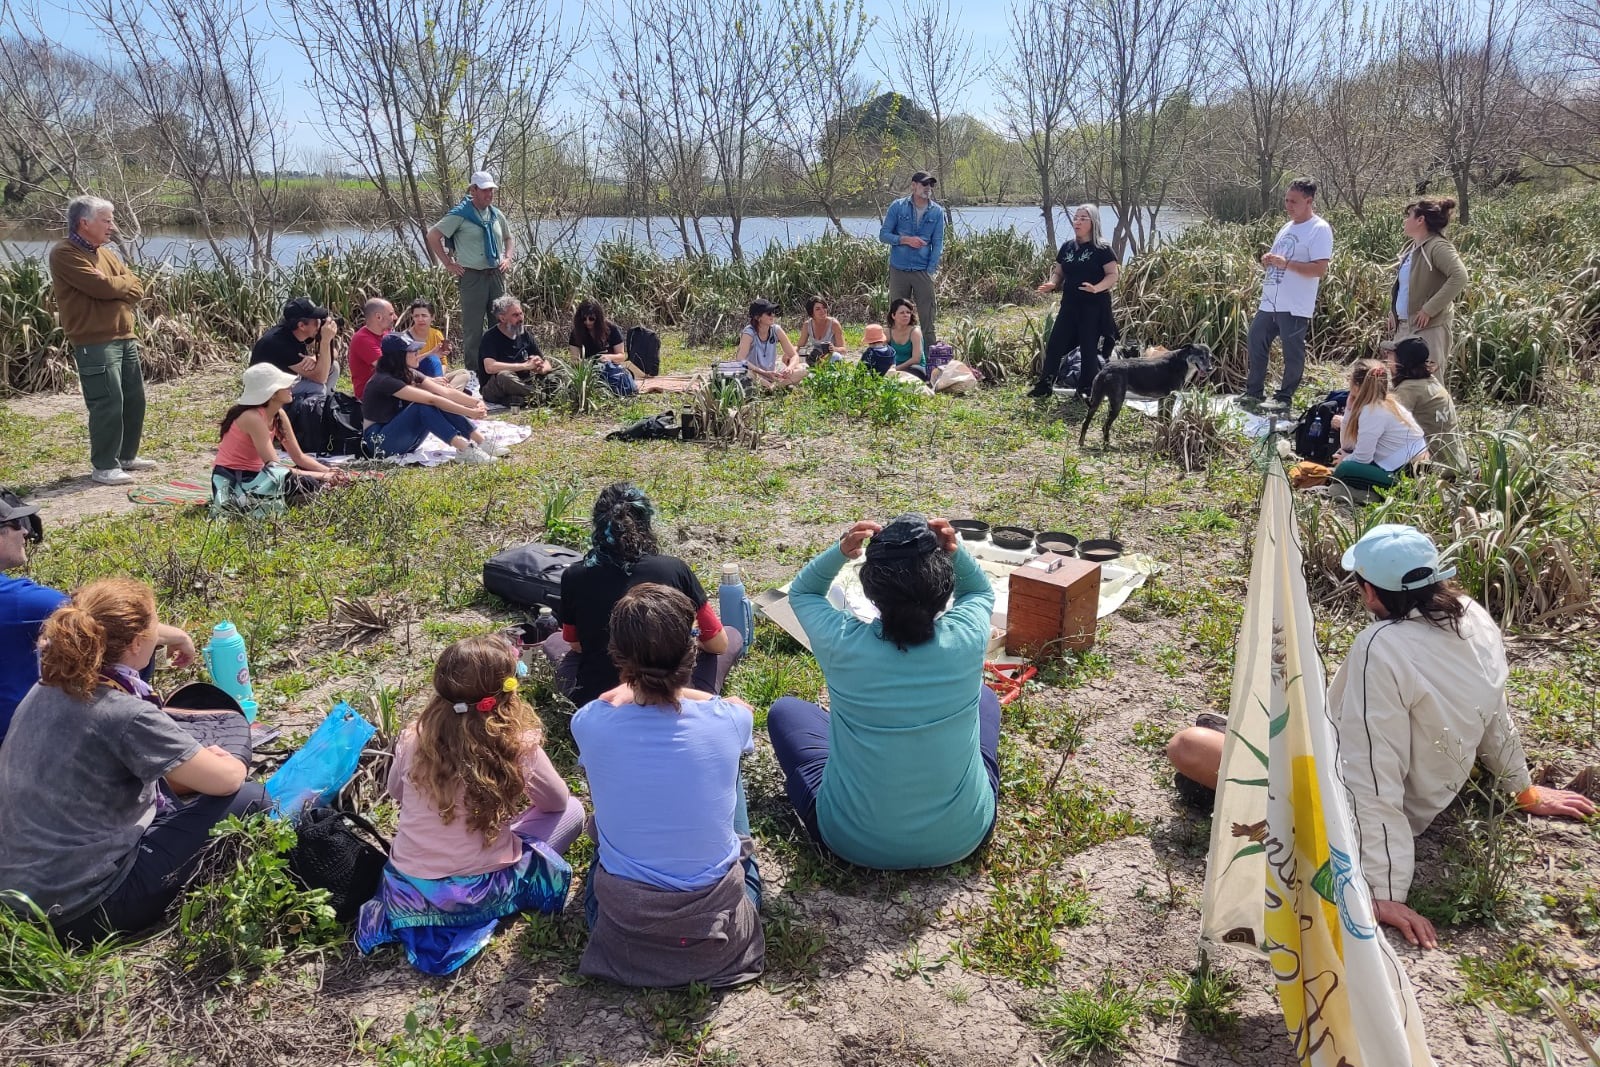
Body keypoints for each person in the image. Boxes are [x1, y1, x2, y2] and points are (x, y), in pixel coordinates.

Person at [1166, 525, 1595, 948]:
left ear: (1370, 592)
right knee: (1224, 728)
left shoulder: (1381, 646)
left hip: (1345, 802)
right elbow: (1495, 714)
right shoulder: (1473, 616)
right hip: (1416, 786)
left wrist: (1381, 888)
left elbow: (1371, 769)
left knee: (1188, 745)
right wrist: (1521, 789)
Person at [0, 579, 269, 940]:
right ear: (138, 643)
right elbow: (227, 780)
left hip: (20, 900)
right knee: (251, 798)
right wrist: (228, 757)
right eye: (155, 626)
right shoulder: (123, 712)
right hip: (85, 910)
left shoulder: (46, 687)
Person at [766, 514, 1001, 870]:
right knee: (984, 698)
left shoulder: (841, 642)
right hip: (964, 834)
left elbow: (803, 592)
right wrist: (955, 550)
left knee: (785, 711)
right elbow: (981, 591)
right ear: (944, 589)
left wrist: (841, 550)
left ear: (870, 590)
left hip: (849, 840)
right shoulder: (967, 637)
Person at [572, 583, 764, 988]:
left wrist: (630, 689)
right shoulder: (729, 719)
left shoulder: (589, 722)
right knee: (728, 770)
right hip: (720, 931)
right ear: (692, 650)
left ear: (618, 657)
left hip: (624, 929)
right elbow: (734, 711)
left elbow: (615, 704)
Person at [356, 635, 584, 975]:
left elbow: (398, 794)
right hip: (479, 891)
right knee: (573, 810)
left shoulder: (412, 738)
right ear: (507, 690)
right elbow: (556, 802)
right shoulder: (517, 744)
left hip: (409, 889)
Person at [547, 482, 742, 707]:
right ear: (646, 522)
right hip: (673, 693)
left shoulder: (574, 576)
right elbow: (718, 644)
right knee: (731, 635)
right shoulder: (674, 569)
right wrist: (685, 639)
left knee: (554, 642)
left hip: (601, 699)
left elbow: (575, 643)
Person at [48, 196, 152, 486]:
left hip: (124, 336)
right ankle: (104, 466)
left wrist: (118, 284)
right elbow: (101, 287)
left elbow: (136, 286)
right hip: (94, 341)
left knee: (134, 399)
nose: (111, 226)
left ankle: (126, 456)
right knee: (107, 401)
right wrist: (117, 285)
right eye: (106, 220)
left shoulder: (105, 254)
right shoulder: (65, 253)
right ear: (85, 223)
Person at [1244, 179, 1335, 413]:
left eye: (1293, 201)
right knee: (1256, 339)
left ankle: (1284, 397)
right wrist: (1269, 261)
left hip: (1295, 304)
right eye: (1286, 200)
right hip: (1271, 301)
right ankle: (1253, 392)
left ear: (1309, 201)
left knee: (1292, 351)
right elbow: (1280, 260)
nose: (1288, 205)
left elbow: (1318, 269)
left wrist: (1287, 264)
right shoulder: (1286, 227)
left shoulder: (1319, 229)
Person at [212, 364, 338, 510]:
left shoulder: (279, 414)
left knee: (322, 466)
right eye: (284, 385)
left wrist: (329, 472)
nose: (291, 386)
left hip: (260, 474)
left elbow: (299, 457)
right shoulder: (253, 418)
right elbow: (276, 468)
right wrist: (322, 476)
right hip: (238, 480)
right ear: (271, 393)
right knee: (307, 482)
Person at [361, 333, 499, 463]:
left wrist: (477, 402)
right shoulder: (384, 380)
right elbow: (431, 400)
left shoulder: (408, 372)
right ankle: (465, 449)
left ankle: (481, 441)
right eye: (412, 351)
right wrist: (470, 412)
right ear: (399, 356)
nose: (417, 354)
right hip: (379, 443)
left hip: (401, 438)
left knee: (434, 401)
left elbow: (445, 392)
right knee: (422, 405)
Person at [426, 171, 513, 377]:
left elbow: (509, 238)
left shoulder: (495, 214)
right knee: (473, 328)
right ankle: (474, 373)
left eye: (491, 190)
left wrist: (508, 258)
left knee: (501, 322)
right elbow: (433, 236)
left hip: (496, 275)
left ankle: (501, 368)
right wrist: (448, 263)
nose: (489, 194)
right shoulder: (460, 215)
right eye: (484, 190)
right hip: (472, 277)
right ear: (473, 190)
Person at [1030, 204, 1119, 400]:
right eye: (1076, 218)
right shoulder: (1067, 247)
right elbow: (1059, 271)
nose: (1077, 222)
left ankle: (1086, 390)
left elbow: (1113, 275)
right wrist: (1052, 283)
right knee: (1055, 344)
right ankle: (1045, 385)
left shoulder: (1102, 248)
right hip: (1069, 305)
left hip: (1093, 307)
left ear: (1093, 222)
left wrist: (1097, 287)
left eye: (1083, 218)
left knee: (1088, 348)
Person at [0, 490, 64, 747]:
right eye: (17, 524)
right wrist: (177, 636)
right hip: (18, 749)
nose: (25, 532)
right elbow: (116, 620)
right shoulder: (21, 602)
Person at [1390, 197, 1468, 380]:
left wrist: (1429, 309)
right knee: (1401, 382)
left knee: (1429, 382)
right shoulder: (1412, 248)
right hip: (1405, 326)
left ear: (1420, 220)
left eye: (1409, 216)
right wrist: (1393, 311)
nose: (1405, 220)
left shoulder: (1438, 246)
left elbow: (1460, 276)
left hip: (1430, 329)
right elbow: (1406, 286)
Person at [1327, 358, 1428, 491]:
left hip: (1404, 474)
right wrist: (1349, 409)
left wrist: (1345, 460)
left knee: (1344, 469)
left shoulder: (1372, 412)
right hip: (1400, 467)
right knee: (1345, 465)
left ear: (1356, 387)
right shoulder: (1386, 403)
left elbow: (1362, 458)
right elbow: (1347, 445)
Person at [878, 172, 946, 345]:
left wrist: (931, 270)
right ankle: (896, 356)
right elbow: (883, 235)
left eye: (930, 185)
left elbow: (938, 243)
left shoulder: (937, 212)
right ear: (913, 185)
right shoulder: (897, 206)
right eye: (924, 184)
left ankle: (930, 360)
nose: (927, 188)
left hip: (923, 270)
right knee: (897, 317)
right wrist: (905, 240)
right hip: (898, 269)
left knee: (927, 318)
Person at [1388, 338, 1465, 473]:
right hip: (1455, 463)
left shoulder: (1408, 389)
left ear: (1402, 362)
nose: (1388, 361)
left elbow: (1385, 427)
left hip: (1432, 467)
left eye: (1391, 356)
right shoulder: (1431, 381)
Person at [250, 296, 340, 398]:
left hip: (286, 380)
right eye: (316, 321)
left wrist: (315, 358)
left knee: (334, 367)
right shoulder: (281, 344)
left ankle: (325, 404)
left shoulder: (298, 332)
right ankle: (315, 410)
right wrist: (325, 341)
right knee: (317, 387)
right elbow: (321, 378)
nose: (320, 324)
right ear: (302, 325)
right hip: (267, 392)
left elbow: (334, 352)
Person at [478, 296, 555, 405]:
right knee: (504, 376)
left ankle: (522, 399)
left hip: (523, 382)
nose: (521, 318)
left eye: (521, 314)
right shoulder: (490, 337)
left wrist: (541, 368)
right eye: (515, 315)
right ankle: (541, 397)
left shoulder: (525, 335)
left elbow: (545, 362)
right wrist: (525, 366)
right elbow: (490, 367)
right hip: (495, 386)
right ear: (502, 318)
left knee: (557, 373)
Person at [401, 298, 471, 391]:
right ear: (412, 317)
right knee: (432, 359)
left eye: (424, 315)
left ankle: (445, 394)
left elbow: (443, 363)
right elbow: (405, 367)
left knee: (463, 374)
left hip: (436, 376)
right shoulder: (405, 338)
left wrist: (440, 378)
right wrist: (431, 354)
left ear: (432, 317)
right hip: (416, 379)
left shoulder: (436, 334)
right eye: (416, 316)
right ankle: (447, 394)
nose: (420, 319)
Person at [735, 299, 806, 387]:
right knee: (746, 374)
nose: (772, 315)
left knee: (804, 368)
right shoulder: (749, 333)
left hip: (773, 374)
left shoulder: (776, 330)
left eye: (773, 312)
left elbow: (794, 355)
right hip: (756, 374)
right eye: (768, 313)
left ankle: (773, 387)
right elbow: (740, 359)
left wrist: (789, 368)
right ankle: (778, 386)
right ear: (757, 317)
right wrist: (764, 373)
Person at [348, 297, 397, 402]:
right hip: (372, 397)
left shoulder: (386, 333)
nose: (395, 317)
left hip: (390, 387)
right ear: (378, 317)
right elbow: (388, 368)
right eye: (391, 314)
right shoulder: (362, 339)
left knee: (430, 360)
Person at [567, 299, 630, 370]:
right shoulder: (576, 333)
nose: (587, 322)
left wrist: (609, 357)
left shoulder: (611, 329)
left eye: (591, 319)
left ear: (598, 318)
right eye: (584, 319)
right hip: (588, 371)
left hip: (610, 369)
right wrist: (588, 364)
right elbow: (574, 360)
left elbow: (622, 356)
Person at [885, 298, 927, 380]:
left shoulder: (915, 332)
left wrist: (896, 369)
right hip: (895, 367)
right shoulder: (888, 332)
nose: (906, 315)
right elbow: (882, 354)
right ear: (893, 315)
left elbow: (916, 359)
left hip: (913, 368)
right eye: (902, 313)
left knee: (914, 371)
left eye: (908, 312)